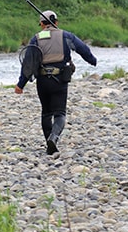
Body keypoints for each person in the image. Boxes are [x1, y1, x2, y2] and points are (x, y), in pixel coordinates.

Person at [14, 10, 97, 155]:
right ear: (56, 22)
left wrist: (21, 84)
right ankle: (54, 137)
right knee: (60, 113)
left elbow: (28, 64)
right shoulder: (66, 35)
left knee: (46, 113)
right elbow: (83, 49)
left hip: (43, 81)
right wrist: (92, 61)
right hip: (60, 80)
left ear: (41, 24)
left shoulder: (36, 39)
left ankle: (49, 144)